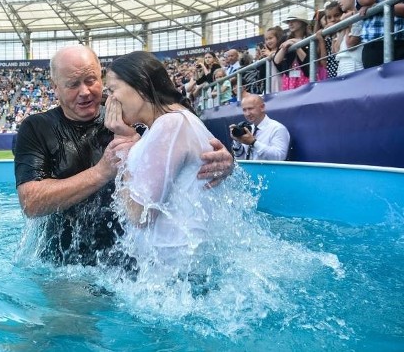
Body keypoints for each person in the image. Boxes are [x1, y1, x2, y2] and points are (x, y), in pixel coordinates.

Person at [14, 45, 234, 267]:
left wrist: (220, 162)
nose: (85, 92)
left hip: (127, 261)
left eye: (91, 80)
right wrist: (101, 173)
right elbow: (31, 203)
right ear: (55, 87)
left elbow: (184, 144)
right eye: (72, 84)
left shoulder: (131, 117)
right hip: (64, 264)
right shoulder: (37, 128)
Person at [103, 51, 219, 265]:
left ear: (140, 84)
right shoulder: (168, 124)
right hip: (177, 269)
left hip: (172, 273)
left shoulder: (170, 125)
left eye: (112, 90)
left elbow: (141, 214)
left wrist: (124, 155)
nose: (109, 99)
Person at [230, 94, 290, 161]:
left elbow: (279, 157)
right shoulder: (248, 129)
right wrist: (237, 141)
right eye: (244, 110)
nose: (247, 113)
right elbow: (240, 159)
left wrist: (253, 142)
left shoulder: (278, 128)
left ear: (262, 107)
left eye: (250, 108)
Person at [272, 8, 311, 91]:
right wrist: (285, 47)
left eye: (293, 20)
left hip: (305, 77)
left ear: (302, 22)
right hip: (289, 79)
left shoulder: (310, 39)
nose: (290, 23)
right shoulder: (284, 39)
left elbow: (307, 62)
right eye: (288, 21)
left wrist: (295, 44)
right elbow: (277, 60)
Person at [334, 0, 364, 76]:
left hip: (355, 65)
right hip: (342, 65)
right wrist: (344, 25)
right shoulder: (346, 18)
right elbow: (336, 49)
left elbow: (350, 43)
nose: (339, 1)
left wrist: (347, 24)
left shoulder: (360, 14)